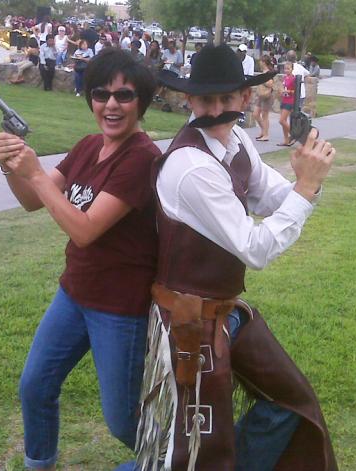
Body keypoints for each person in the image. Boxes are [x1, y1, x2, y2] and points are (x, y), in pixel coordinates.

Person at [134, 44, 338, 471]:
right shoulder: (191, 166)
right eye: (205, 100)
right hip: (187, 322)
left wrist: (306, 183)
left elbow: (270, 196)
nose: (215, 110)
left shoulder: (239, 140)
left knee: (291, 400)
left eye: (226, 98)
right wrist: (304, 190)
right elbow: (255, 248)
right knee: (198, 450)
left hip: (224, 312)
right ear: (188, 100)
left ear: (245, 99)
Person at [0, 48, 160, 471]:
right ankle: (39, 464)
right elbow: (33, 201)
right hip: (75, 293)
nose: (111, 105)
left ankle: (184, 459)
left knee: (124, 423)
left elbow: (84, 229)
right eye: (101, 94)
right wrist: (12, 165)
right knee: (35, 385)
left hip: (119, 307)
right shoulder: (88, 146)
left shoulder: (142, 157)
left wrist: (32, 173)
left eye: (124, 95)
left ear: (142, 102)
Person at [253, 54, 275, 141]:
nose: (259, 63)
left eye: (261, 61)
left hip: (267, 96)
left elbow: (270, 84)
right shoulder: (263, 72)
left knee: (265, 115)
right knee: (256, 114)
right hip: (260, 95)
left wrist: (262, 80)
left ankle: (266, 135)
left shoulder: (269, 72)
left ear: (264, 62)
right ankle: (263, 130)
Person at [278, 61, 296, 146]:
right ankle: (286, 140)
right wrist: (282, 91)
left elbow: (295, 91)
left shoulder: (293, 78)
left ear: (292, 69)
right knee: (283, 121)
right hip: (284, 99)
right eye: (285, 68)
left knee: (281, 120)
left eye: (288, 68)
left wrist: (288, 91)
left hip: (290, 101)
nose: (286, 70)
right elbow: (283, 88)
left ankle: (294, 135)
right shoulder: (286, 78)